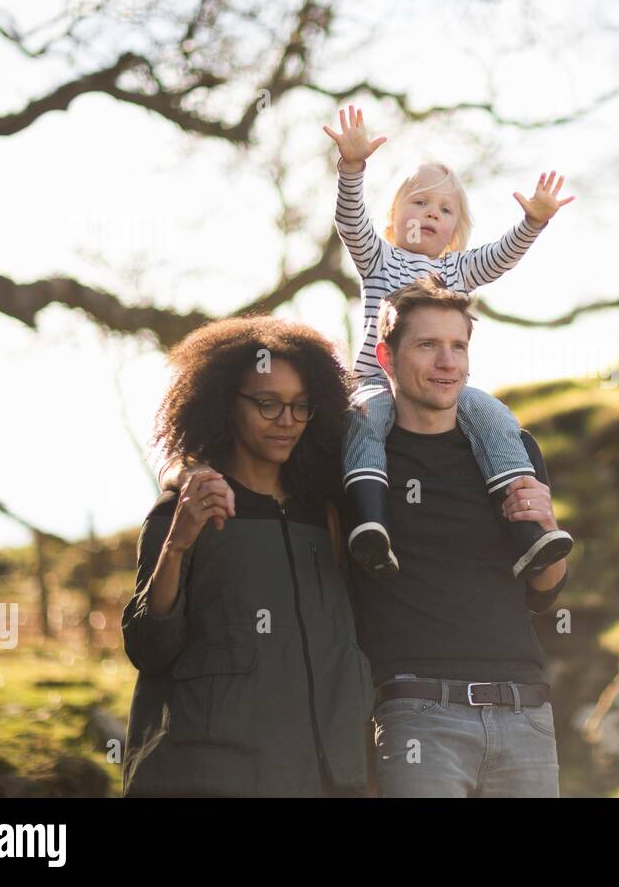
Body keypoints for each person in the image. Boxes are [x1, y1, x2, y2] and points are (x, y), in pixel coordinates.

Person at [122, 316, 374, 797]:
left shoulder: (328, 516)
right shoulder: (183, 512)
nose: (287, 422)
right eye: (267, 404)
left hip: (327, 782)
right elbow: (148, 648)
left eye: (302, 407)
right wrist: (177, 546)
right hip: (206, 779)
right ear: (223, 405)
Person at [322, 104, 574, 580]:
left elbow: (501, 257)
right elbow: (351, 221)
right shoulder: (379, 257)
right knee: (364, 423)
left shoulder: (458, 270)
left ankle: (530, 534)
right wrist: (352, 167)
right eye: (418, 203)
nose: (431, 214)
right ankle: (371, 525)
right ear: (394, 219)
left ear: (455, 231)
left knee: (496, 417)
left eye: (444, 209)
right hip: (379, 381)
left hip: (443, 390)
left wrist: (534, 222)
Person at [353, 275, 571, 797]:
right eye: (428, 345)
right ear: (387, 355)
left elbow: (545, 592)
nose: (447, 362)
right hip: (417, 713)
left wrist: (548, 528)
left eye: (458, 347)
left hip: (525, 712)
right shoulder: (360, 460)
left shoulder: (510, 452)